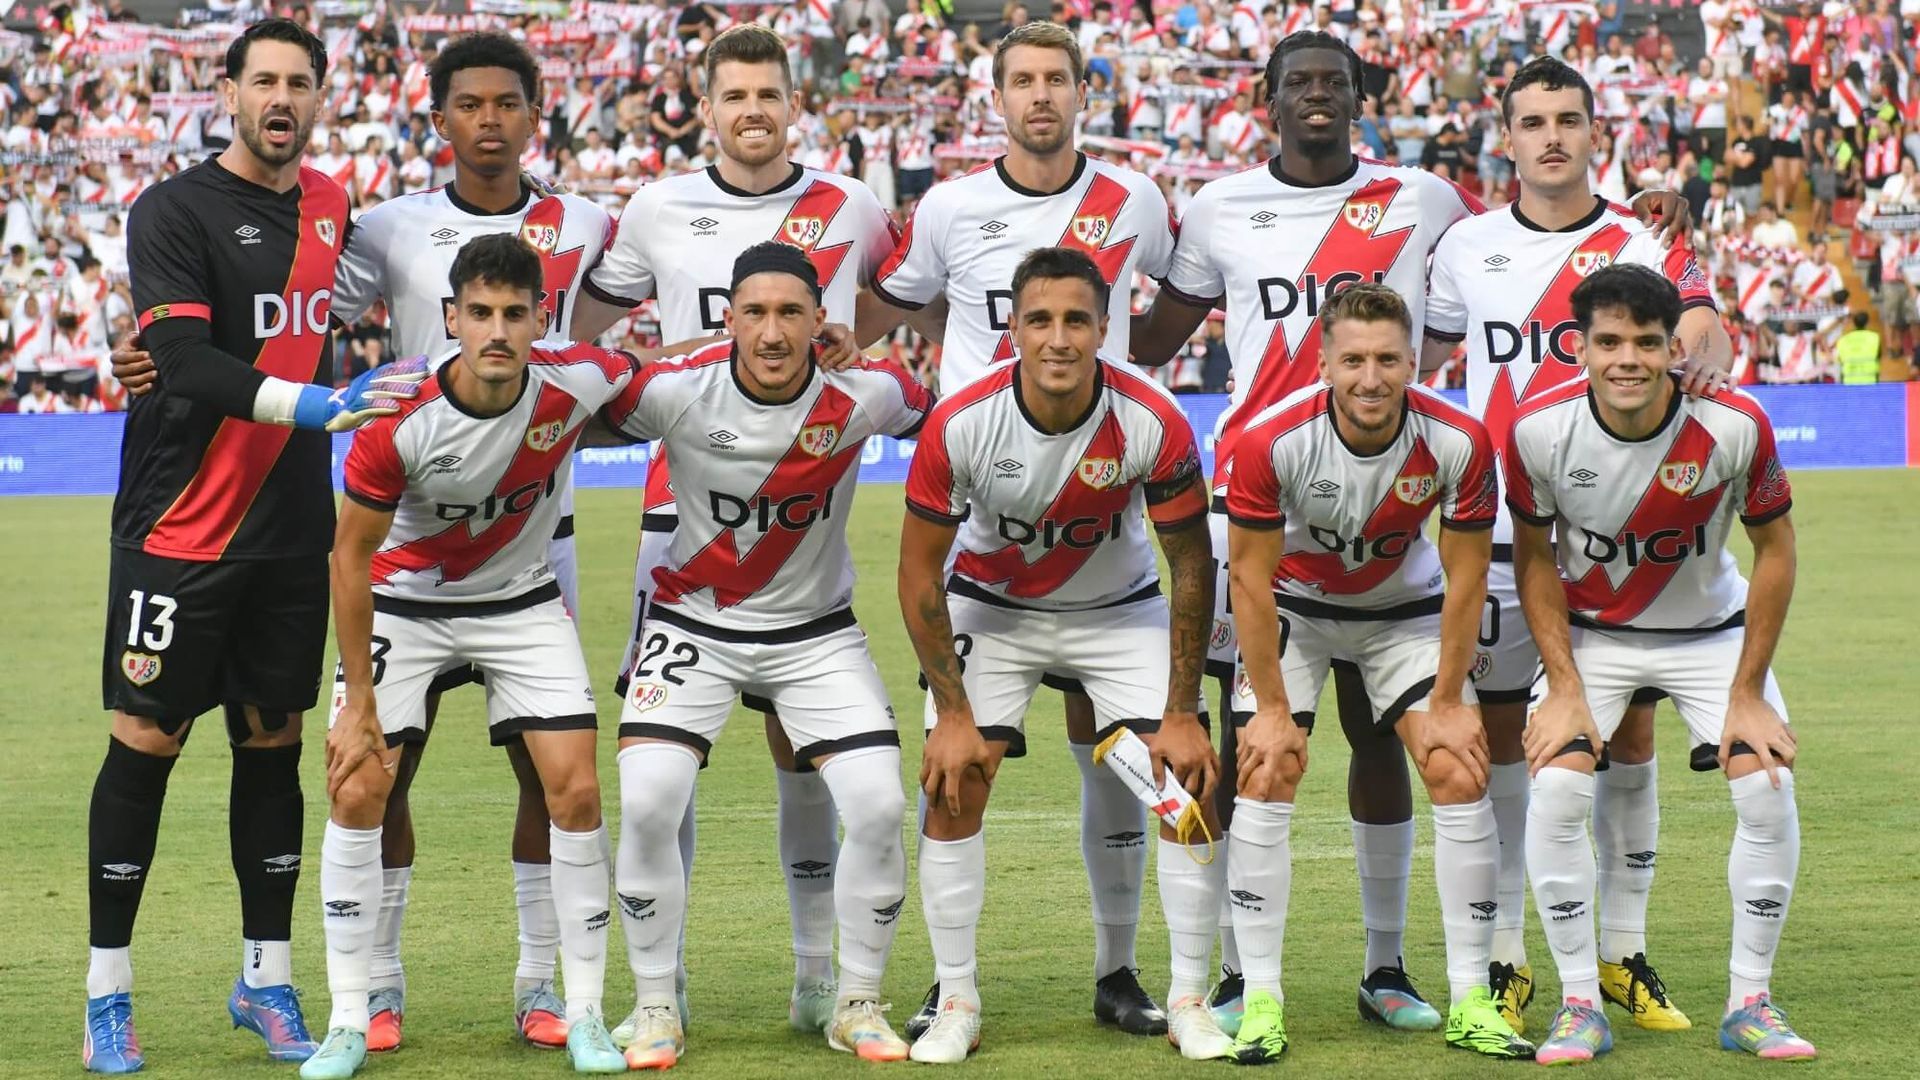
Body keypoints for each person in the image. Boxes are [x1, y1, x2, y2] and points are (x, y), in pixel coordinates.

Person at [105, 32, 651, 1050]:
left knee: (554, 778)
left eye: (508, 104)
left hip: (538, 543)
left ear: (538, 113)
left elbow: (620, 340)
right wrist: (154, 351)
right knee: (376, 767)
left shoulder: (586, 222)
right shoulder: (386, 227)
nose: (489, 122)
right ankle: (378, 989)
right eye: (468, 105)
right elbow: (290, 319)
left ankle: (546, 987)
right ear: (436, 119)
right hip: (400, 537)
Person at [85, 18, 424, 1075]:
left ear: (320, 99)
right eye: (263, 81)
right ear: (226, 92)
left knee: (274, 745)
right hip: (179, 528)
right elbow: (182, 358)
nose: (281, 98)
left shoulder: (332, 207)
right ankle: (107, 993)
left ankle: (267, 979)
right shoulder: (173, 210)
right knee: (147, 744)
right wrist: (322, 403)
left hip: (290, 535)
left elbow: (384, 298)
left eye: (300, 84)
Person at [570, 24, 903, 1041]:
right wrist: (689, 359)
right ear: (704, 106)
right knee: (662, 777)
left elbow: (888, 319)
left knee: (806, 756)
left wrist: (846, 351)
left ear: (793, 104)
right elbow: (585, 330)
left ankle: (822, 982)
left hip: (806, 490)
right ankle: (658, 995)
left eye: (769, 93)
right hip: (686, 507)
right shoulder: (658, 206)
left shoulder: (852, 205)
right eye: (734, 95)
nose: (753, 110)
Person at [851, 21, 1183, 1039]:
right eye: (1022, 81)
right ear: (993, 95)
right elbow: (880, 311)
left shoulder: (1134, 200)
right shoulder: (950, 205)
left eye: (1058, 80)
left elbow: (1166, 316)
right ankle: (950, 984)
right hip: (982, 547)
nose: (1041, 96)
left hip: (1105, 543)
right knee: (957, 768)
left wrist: (1128, 394)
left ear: (1087, 89)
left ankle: (1119, 970)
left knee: (1125, 764)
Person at [1422, 56, 1733, 1036]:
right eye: (1533, 121)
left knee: (1626, 740)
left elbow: (1704, 329)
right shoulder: (1465, 245)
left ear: (1595, 132)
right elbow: (1425, 359)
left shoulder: (1638, 235)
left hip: (1615, 542)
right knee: (1518, 750)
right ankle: (1514, 956)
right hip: (1503, 534)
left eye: (1568, 119)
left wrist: (1704, 339)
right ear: (1505, 138)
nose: (1551, 137)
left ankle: (1623, 952)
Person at [898, 247, 1232, 1063]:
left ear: (1104, 328)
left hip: (1116, 614)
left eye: (1077, 320)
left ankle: (1183, 993)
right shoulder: (962, 420)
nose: (1058, 338)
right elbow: (916, 573)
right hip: (995, 611)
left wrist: (1184, 713)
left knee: (1178, 790)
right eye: (1039, 320)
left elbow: (1191, 563)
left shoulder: (1151, 417)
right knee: (955, 780)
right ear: (1010, 328)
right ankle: (955, 996)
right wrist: (950, 713)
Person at [602, 242, 932, 1069]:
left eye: (792, 313)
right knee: (647, 801)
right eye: (755, 313)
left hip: (816, 633)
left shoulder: (867, 394)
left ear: (823, 322)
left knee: (882, 806)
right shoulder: (679, 392)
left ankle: (851, 997)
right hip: (692, 628)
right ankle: (653, 1006)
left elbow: (936, 409)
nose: (774, 331)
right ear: (729, 320)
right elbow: (583, 382)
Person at [310, 233, 630, 1079]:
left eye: (514, 314)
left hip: (518, 601)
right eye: (479, 313)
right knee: (362, 781)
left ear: (540, 320)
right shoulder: (400, 416)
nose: (497, 330)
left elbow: (665, 364)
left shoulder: (578, 380)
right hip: (404, 605)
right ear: (450, 318)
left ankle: (567, 1001)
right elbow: (349, 557)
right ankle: (359, 1007)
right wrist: (358, 706)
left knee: (577, 785)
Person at [1506, 263, 1814, 1064]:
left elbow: (1775, 550)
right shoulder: (1538, 430)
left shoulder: (1734, 424)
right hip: (1594, 637)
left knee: (1767, 784)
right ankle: (1580, 1004)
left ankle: (1751, 1000)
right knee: (1560, 783)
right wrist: (1565, 686)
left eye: (1648, 343)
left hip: (1710, 635)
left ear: (1674, 346)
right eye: (1609, 342)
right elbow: (1534, 560)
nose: (1629, 360)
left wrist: (1747, 692)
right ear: (1579, 347)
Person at [1222, 283, 1528, 1062]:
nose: (1371, 378)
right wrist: (1269, 708)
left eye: (1388, 359)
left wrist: (1454, 700)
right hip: (1296, 604)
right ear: (1323, 363)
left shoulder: (1457, 438)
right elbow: (1250, 581)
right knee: (1268, 762)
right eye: (1353, 360)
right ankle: (1258, 993)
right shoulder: (1269, 441)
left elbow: (1465, 578)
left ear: (1411, 360)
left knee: (1458, 766)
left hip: (1402, 610)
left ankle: (1462, 995)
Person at [1835, 311, 1882, 383]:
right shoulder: (1874, 337)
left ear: (1853, 323)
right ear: (1867, 322)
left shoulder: (1843, 340)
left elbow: (1840, 360)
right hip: (1869, 380)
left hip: (1849, 381)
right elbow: (1878, 356)